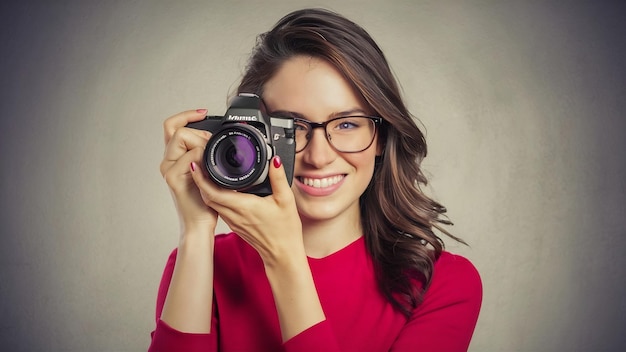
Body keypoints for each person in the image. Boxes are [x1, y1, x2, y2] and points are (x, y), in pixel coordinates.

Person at [149, 8, 482, 352]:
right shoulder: (200, 263)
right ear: (252, 134)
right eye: (292, 128)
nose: (319, 157)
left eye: (347, 124)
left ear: (381, 136)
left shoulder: (444, 283)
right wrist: (196, 231)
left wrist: (284, 261)